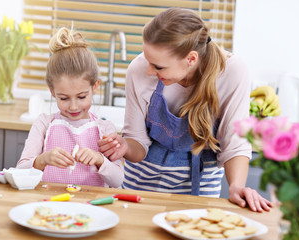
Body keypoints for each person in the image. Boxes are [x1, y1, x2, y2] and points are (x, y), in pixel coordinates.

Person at [98, 8, 272, 211]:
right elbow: (138, 143)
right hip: (141, 186)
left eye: (158, 67)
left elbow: (234, 145)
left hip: (200, 189)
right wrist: (125, 146)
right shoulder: (138, 70)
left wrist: (236, 187)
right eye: (148, 60)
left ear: (191, 59)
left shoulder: (232, 72)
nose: (148, 70)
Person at [17, 27, 124, 188]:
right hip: (48, 205)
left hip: (90, 207)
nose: (73, 106)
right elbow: (20, 171)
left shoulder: (105, 129)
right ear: (52, 91)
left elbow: (119, 181)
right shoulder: (44, 124)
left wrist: (99, 159)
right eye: (64, 98)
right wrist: (42, 160)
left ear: (95, 87)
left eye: (81, 97)